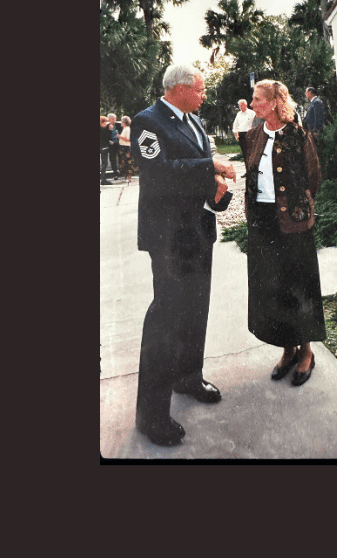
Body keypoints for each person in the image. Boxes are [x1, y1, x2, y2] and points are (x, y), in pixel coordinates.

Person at [131, 64, 237, 446]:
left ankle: (188, 377)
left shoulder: (194, 121)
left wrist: (217, 194)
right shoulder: (148, 122)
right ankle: (150, 415)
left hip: (197, 233)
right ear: (177, 88)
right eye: (200, 88)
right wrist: (211, 165)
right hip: (168, 239)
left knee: (196, 310)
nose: (204, 94)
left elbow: (197, 177)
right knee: (167, 318)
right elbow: (158, 174)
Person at [242, 79, 325, 387]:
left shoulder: (297, 135)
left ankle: (306, 352)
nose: (252, 105)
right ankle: (287, 349)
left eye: (257, 99)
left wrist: (297, 207)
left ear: (275, 102)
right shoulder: (253, 135)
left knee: (298, 285)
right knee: (271, 286)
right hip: (262, 222)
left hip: (293, 222)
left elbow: (312, 175)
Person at [118, 116, 137, 185]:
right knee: (124, 162)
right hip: (123, 147)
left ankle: (128, 177)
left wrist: (119, 136)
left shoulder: (127, 129)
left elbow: (128, 139)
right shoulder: (125, 129)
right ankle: (127, 176)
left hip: (126, 147)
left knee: (128, 162)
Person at [106, 113, 120, 177]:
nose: (114, 120)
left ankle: (122, 171)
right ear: (109, 119)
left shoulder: (118, 125)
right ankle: (115, 173)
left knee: (121, 157)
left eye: (115, 119)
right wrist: (109, 141)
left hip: (119, 144)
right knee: (113, 159)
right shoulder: (106, 126)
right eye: (113, 119)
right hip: (111, 145)